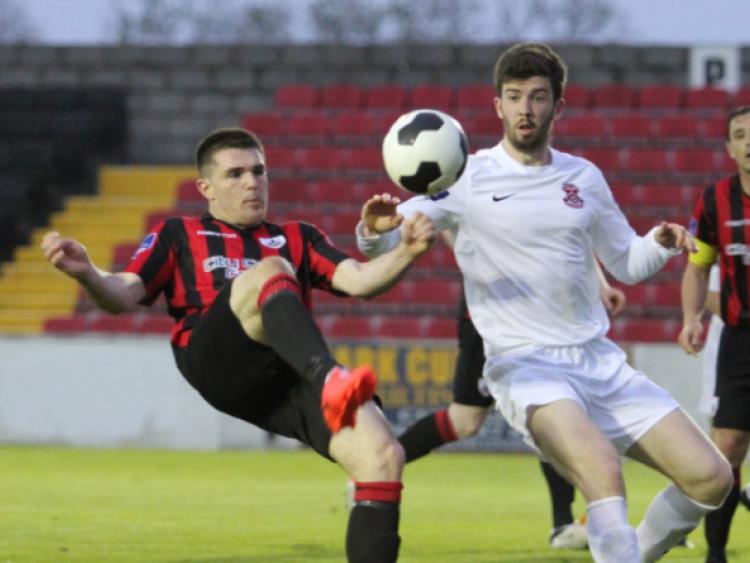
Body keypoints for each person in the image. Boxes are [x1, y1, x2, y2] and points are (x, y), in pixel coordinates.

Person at [356, 43, 733, 563]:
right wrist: (372, 232)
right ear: (498, 107)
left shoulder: (583, 177)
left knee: (713, 479)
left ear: (558, 106)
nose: (525, 109)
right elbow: (388, 238)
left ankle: (634, 554)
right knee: (602, 468)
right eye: (514, 98)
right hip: (526, 366)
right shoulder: (464, 177)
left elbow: (625, 261)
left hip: (599, 362)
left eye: (537, 97)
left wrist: (660, 244)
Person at [41, 127, 438, 563]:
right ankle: (331, 380)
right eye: (235, 174)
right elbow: (123, 294)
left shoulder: (299, 237)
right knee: (269, 272)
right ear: (206, 188)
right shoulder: (177, 233)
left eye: (258, 170)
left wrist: (406, 252)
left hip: (284, 375)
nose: (252, 182)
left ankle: (331, 387)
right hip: (217, 360)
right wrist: (87, 274)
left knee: (382, 454)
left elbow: (360, 281)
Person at [398, 253, 626, 551]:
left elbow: (576, 233)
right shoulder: (473, 207)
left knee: (554, 410)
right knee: (465, 421)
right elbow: (457, 234)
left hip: (541, 318)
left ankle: (565, 524)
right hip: (489, 317)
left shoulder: (551, 206)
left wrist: (601, 285)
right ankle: (380, 465)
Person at [679, 105, 750, 563]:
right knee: (726, 447)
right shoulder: (714, 201)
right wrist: (690, 318)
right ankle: (716, 552)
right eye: (741, 135)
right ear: (730, 149)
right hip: (740, 340)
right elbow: (698, 265)